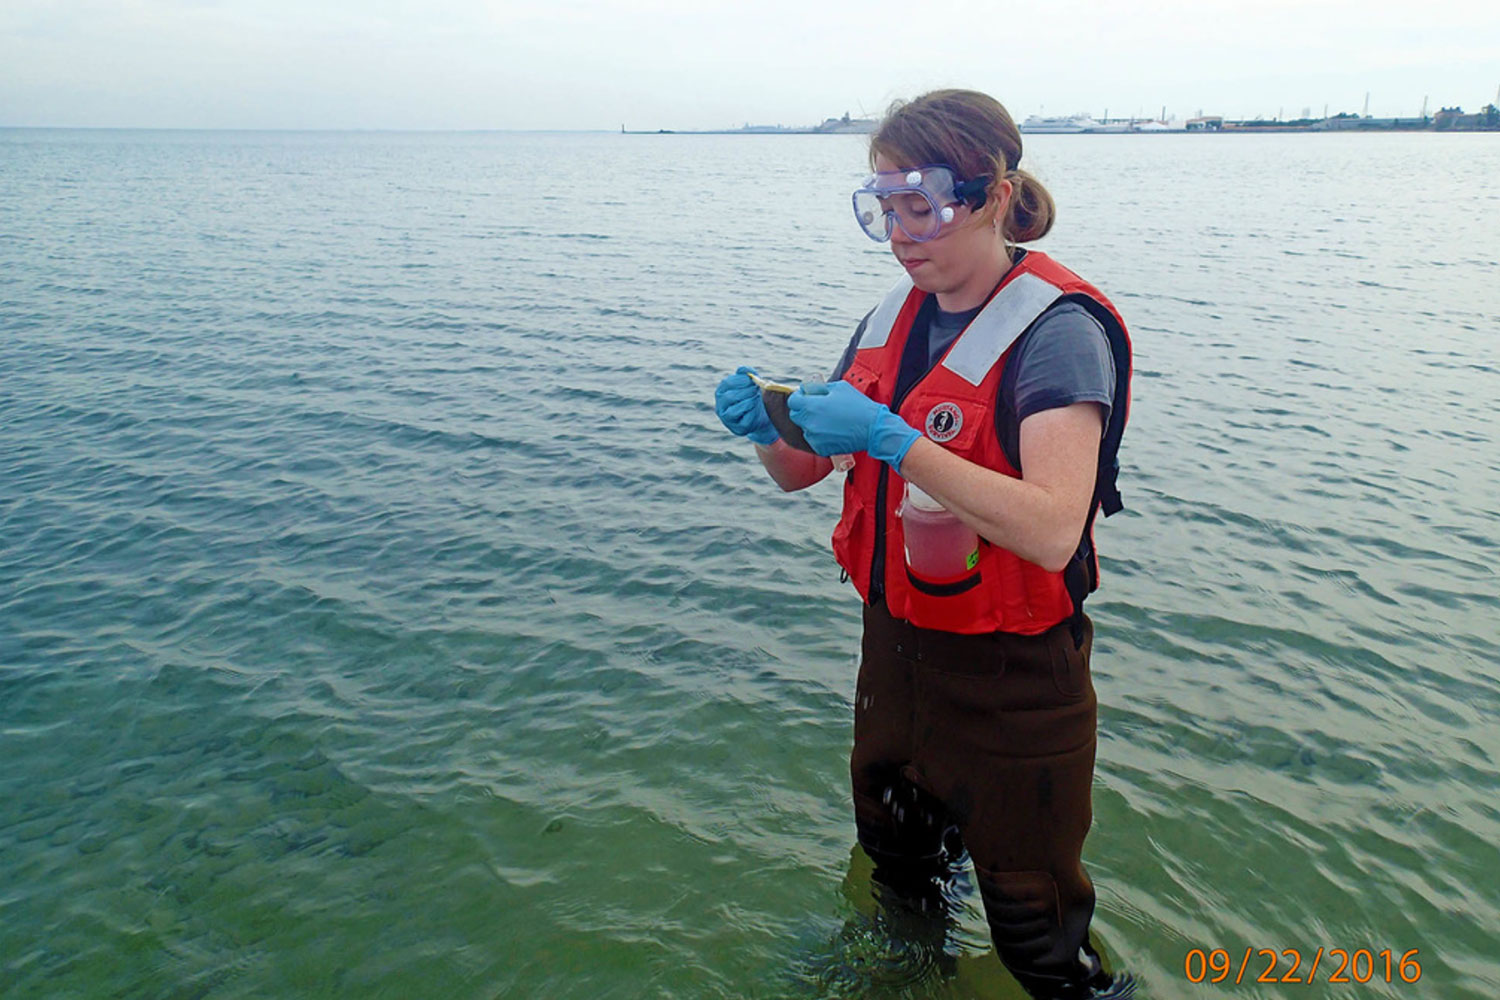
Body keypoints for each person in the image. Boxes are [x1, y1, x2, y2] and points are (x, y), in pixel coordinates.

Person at [714, 89, 1135, 1000]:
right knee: (900, 884)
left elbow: (1055, 527)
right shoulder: (883, 322)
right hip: (896, 664)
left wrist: (904, 443)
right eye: (885, 210)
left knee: (1037, 939)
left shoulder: (1057, 334)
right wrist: (763, 427)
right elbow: (802, 472)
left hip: (1016, 685)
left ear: (992, 195)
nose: (903, 234)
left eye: (923, 208)